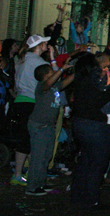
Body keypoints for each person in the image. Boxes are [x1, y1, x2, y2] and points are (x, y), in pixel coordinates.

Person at [70, 52, 110, 209]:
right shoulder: (92, 80)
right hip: (94, 126)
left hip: (80, 123)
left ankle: (78, 195)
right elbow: (98, 100)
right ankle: (91, 199)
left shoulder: (79, 80)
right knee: (97, 164)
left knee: (85, 160)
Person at [10, 35, 57, 186]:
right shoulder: (40, 63)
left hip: (19, 100)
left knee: (23, 139)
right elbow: (53, 81)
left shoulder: (21, 60)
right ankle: (31, 175)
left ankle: (20, 174)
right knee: (33, 140)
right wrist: (53, 59)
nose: (47, 44)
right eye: (44, 42)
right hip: (32, 102)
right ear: (39, 46)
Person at [25, 63, 74, 196]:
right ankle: (32, 187)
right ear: (46, 75)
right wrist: (62, 69)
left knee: (46, 156)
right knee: (38, 157)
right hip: (39, 126)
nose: (54, 72)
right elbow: (49, 82)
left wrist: (78, 72)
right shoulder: (42, 86)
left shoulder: (54, 87)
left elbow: (65, 82)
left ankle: (40, 183)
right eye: (51, 71)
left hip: (48, 126)